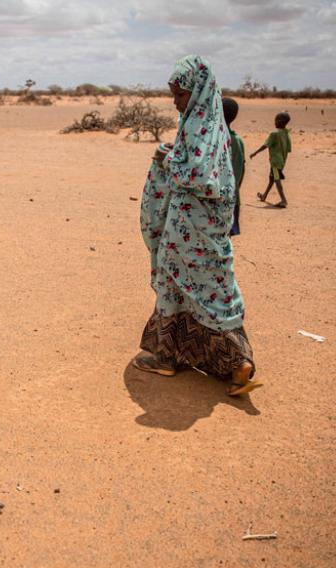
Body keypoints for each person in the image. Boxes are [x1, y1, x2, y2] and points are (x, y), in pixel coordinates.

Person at [134, 55, 260, 396]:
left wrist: (167, 157)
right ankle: (224, 361)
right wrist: (176, 152)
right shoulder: (207, 126)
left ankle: (187, 358)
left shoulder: (201, 127)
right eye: (174, 94)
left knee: (192, 289)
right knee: (207, 290)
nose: (175, 102)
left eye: (180, 95)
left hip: (193, 230)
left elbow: (201, 177)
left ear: (199, 92)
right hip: (196, 230)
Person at [251, 112, 291, 208]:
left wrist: (255, 152)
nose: (275, 122)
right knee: (272, 178)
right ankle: (264, 195)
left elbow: (266, 145)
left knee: (276, 179)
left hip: (275, 162)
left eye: (276, 120)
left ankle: (283, 200)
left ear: (279, 122)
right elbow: (288, 149)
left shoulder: (274, 133)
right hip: (282, 161)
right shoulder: (287, 134)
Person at [222, 98, 244, 235]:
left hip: (218, 199)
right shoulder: (238, 141)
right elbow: (243, 169)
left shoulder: (217, 140)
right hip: (234, 197)